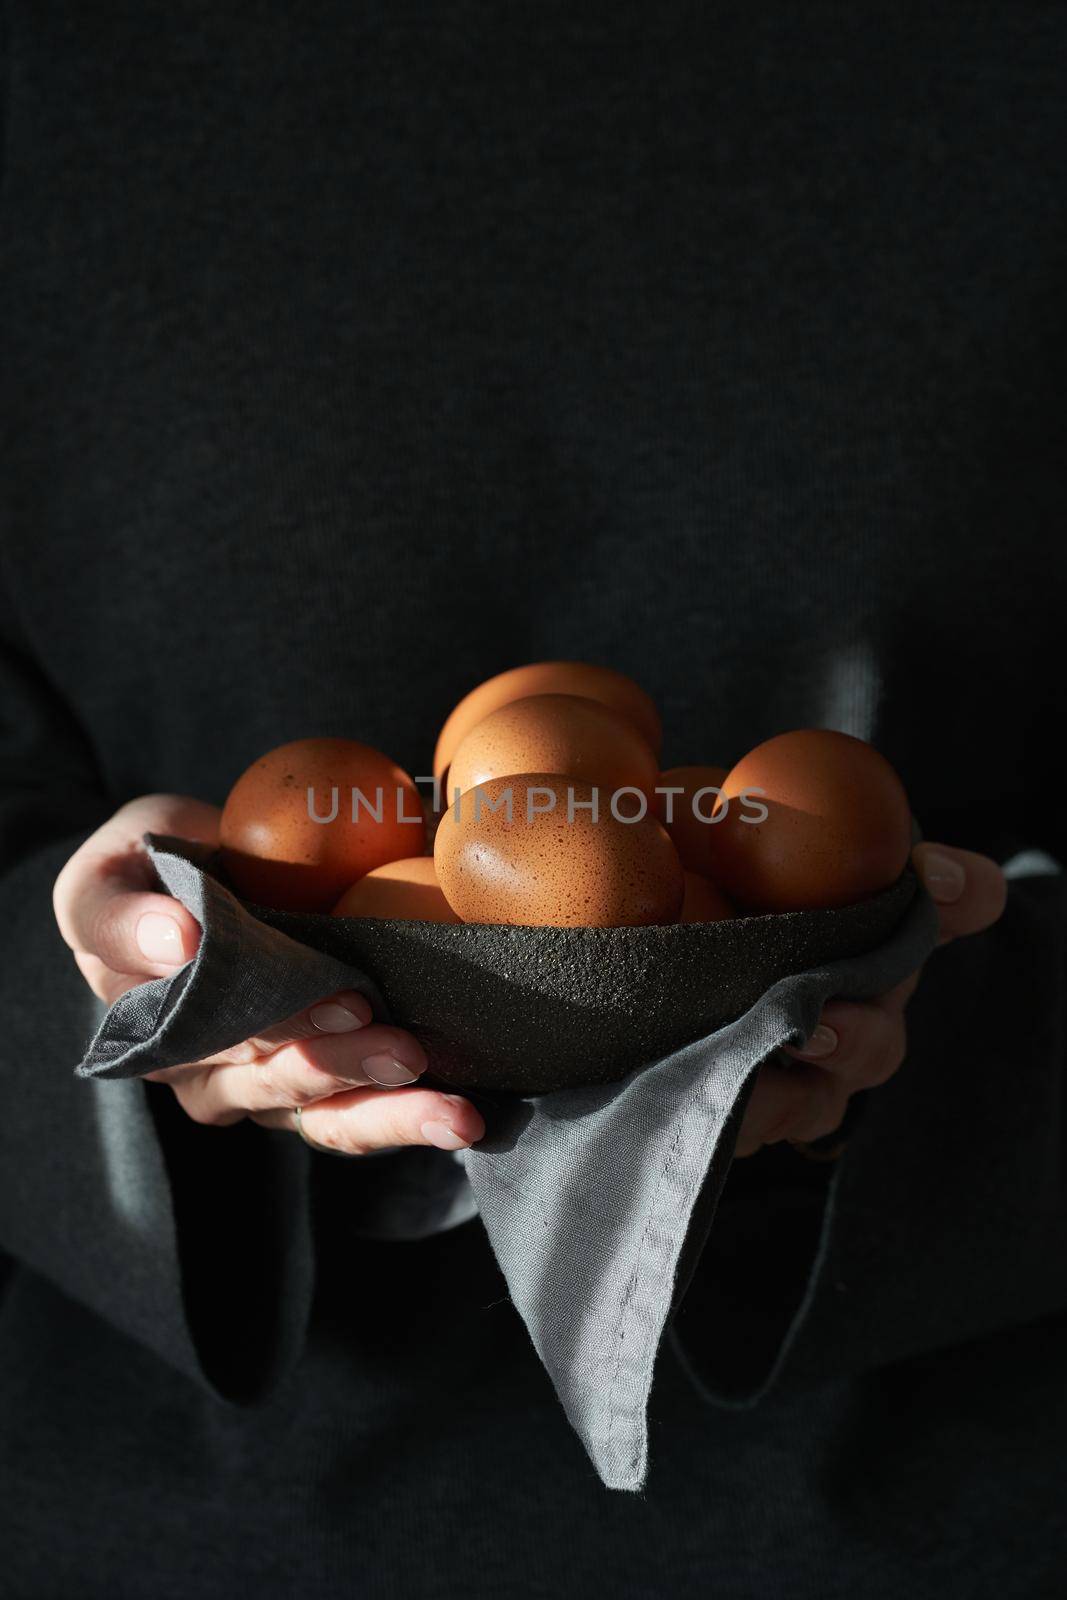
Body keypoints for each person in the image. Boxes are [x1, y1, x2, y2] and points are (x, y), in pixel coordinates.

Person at [2, 6, 1064, 1597]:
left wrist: (965, 1005)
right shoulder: (59, 76)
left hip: (942, 1492)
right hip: (180, 1516)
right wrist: (124, 987)